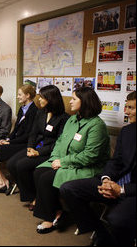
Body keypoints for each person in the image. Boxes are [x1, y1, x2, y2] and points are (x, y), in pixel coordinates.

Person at [60, 91, 136, 246]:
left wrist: (121, 190)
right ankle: (100, 232)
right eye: (126, 106)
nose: (126, 112)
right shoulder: (127, 131)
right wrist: (107, 179)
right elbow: (116, 162)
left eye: (131, 108)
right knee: (69, 189)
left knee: (116, 220)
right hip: (113, 183)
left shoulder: (97, 125)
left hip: (132, 191)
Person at [33, 87, 110, 234]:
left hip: (87, 167)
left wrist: (63, 162)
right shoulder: (73, 119)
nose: (71, 101)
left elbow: (90, 156)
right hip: (66, 160)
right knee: (39, 171)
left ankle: (50, 218)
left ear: (85, 102)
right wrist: (55, 159)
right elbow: (60, 142)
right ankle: (57, 211)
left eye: (74, 99)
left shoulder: (97, 125)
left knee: (46, 178)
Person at [6, 85, 69, 209]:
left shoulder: (64, 118)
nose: (39, 100)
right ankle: (32, 195)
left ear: (51, 99)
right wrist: (30, 147)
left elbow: (58, 142)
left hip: (49, 151)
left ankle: (37, 197)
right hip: (35, 147)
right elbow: (33, 133)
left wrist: (38, 153)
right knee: (11, 164)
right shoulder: (41, 113)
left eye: (42, 97)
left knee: (22, 165)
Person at [0, 84, 38, 193]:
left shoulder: (34, 111)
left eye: (20, 94)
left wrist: (10, 142)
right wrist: (7, 139)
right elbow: (15, 129)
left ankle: (1, 183)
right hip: (15, 142)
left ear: (27, 95)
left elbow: (28, 135)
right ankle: (3, 180)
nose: (17, 97)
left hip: (24, 144)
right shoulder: (22, 109)